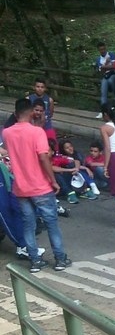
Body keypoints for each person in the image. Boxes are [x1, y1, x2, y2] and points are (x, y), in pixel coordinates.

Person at [3, 98, 71, 272]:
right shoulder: (37, 132)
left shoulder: (7, 133)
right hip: (40, 186)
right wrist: (53, 181)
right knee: (51, 224)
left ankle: (35, 261)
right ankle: (60, 259)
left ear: (15, 113)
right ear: (33, 112)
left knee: (28, 225)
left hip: (21, 187)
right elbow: (43, 157)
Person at [27, 78, 56, 144]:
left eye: (42, 87)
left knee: (52, 143)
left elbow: (51, 113)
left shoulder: (50, 100)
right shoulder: (28, 99)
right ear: (34, 87)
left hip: (46, 125)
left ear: (45, 88)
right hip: (33, 125)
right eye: (38, 87)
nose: (40, 89)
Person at [95, 41, 115, 113]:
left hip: (113, 74)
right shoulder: (98, 59)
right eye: (101, 50)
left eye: (104, 49)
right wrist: (107, 63)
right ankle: (103, 111)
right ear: (99, 50)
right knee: (103, 92)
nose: (103, 51)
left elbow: (114, 66)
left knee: (111, 80)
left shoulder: (111, 54)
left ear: (105, 48)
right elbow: (101, 71)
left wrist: (104, 66)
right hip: (105, 76)